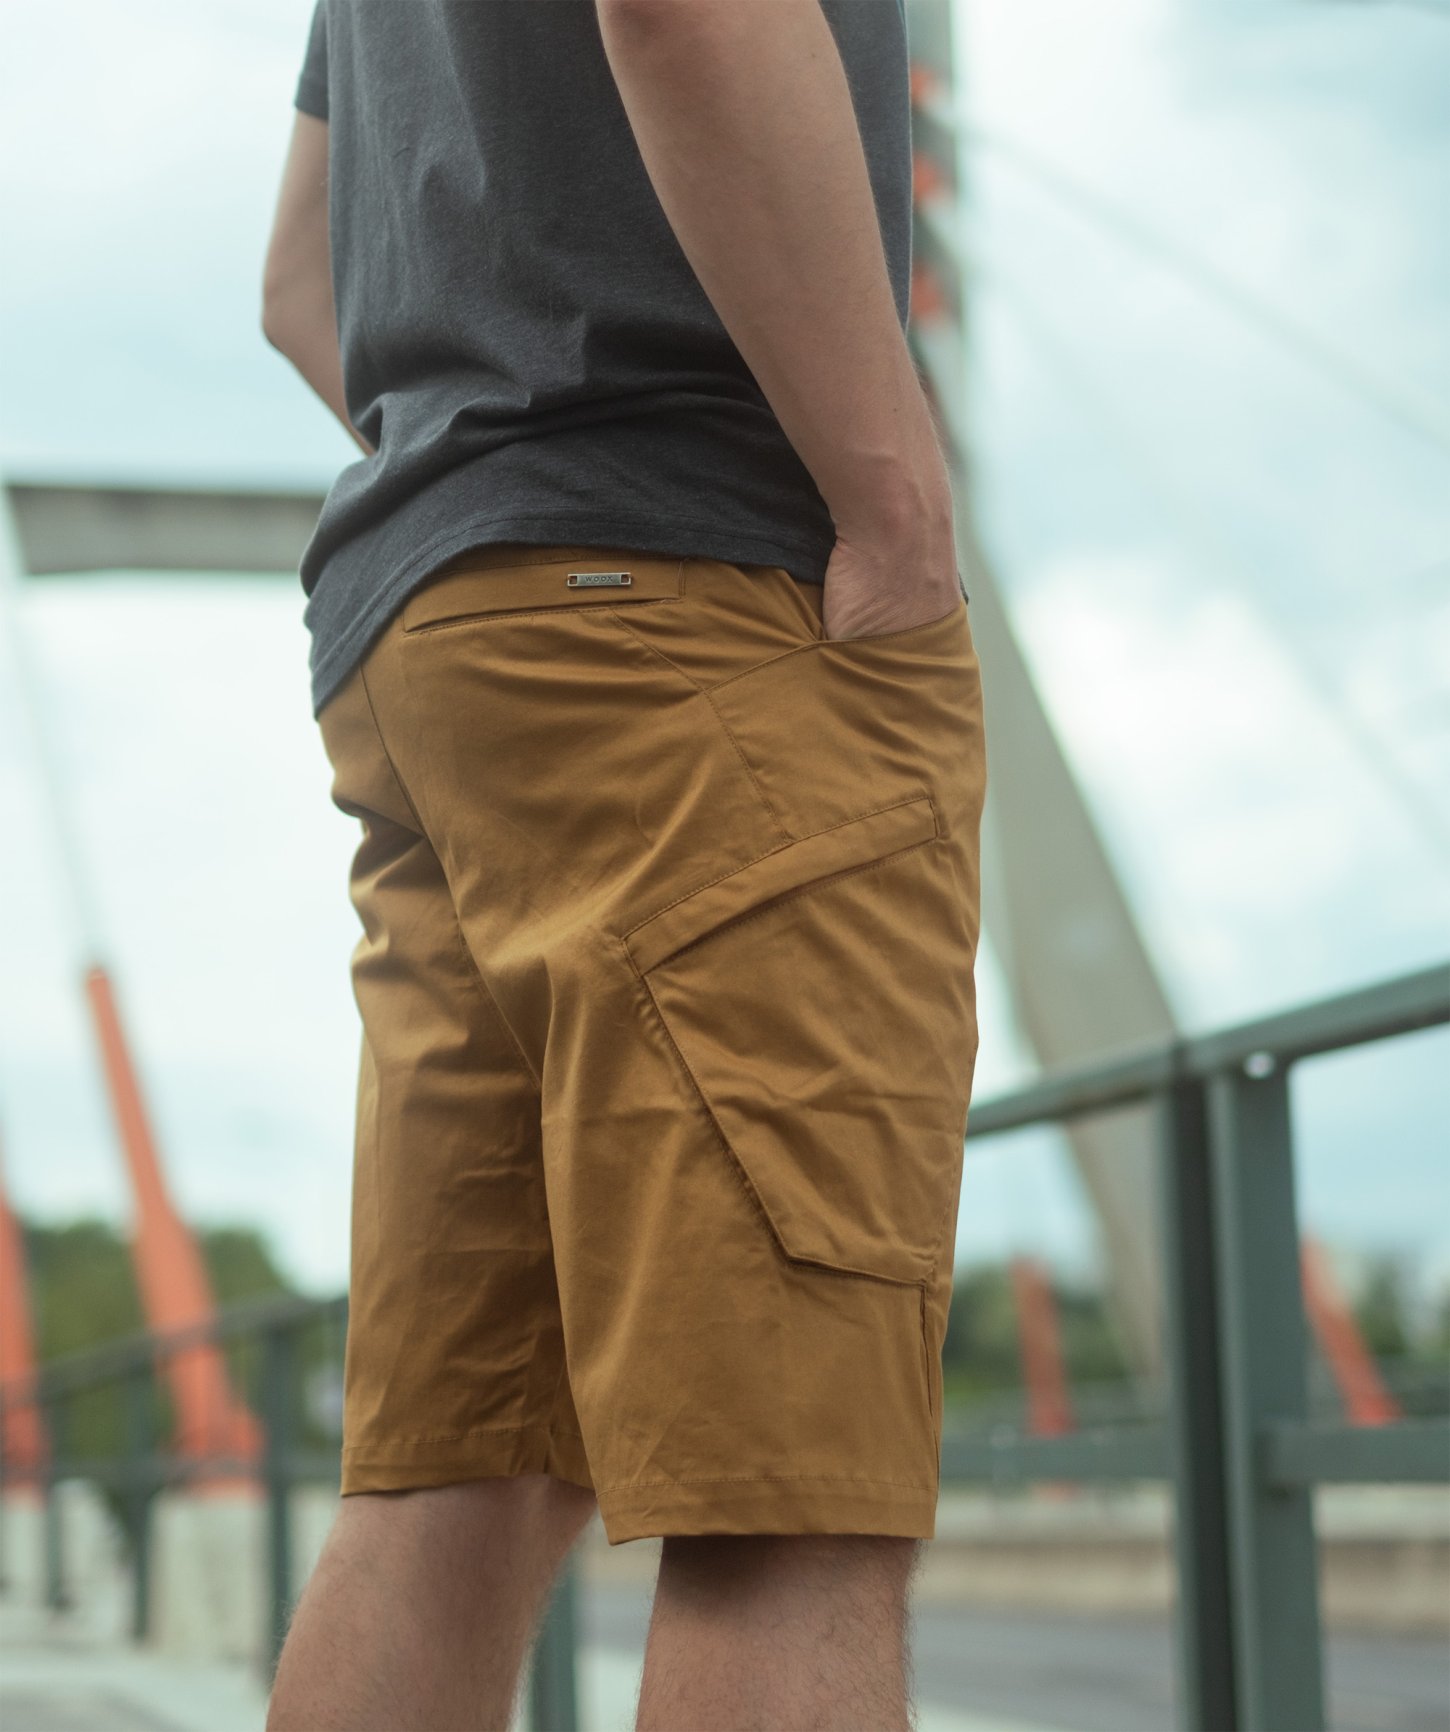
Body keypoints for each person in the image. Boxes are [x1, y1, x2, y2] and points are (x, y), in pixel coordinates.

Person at [260, 1, 987, 1726]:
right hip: (699, 606)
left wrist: (494, 463)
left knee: (454, 1480)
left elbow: (300, 280)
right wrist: (889, 496)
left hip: (437, 631)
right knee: (785, 1505)